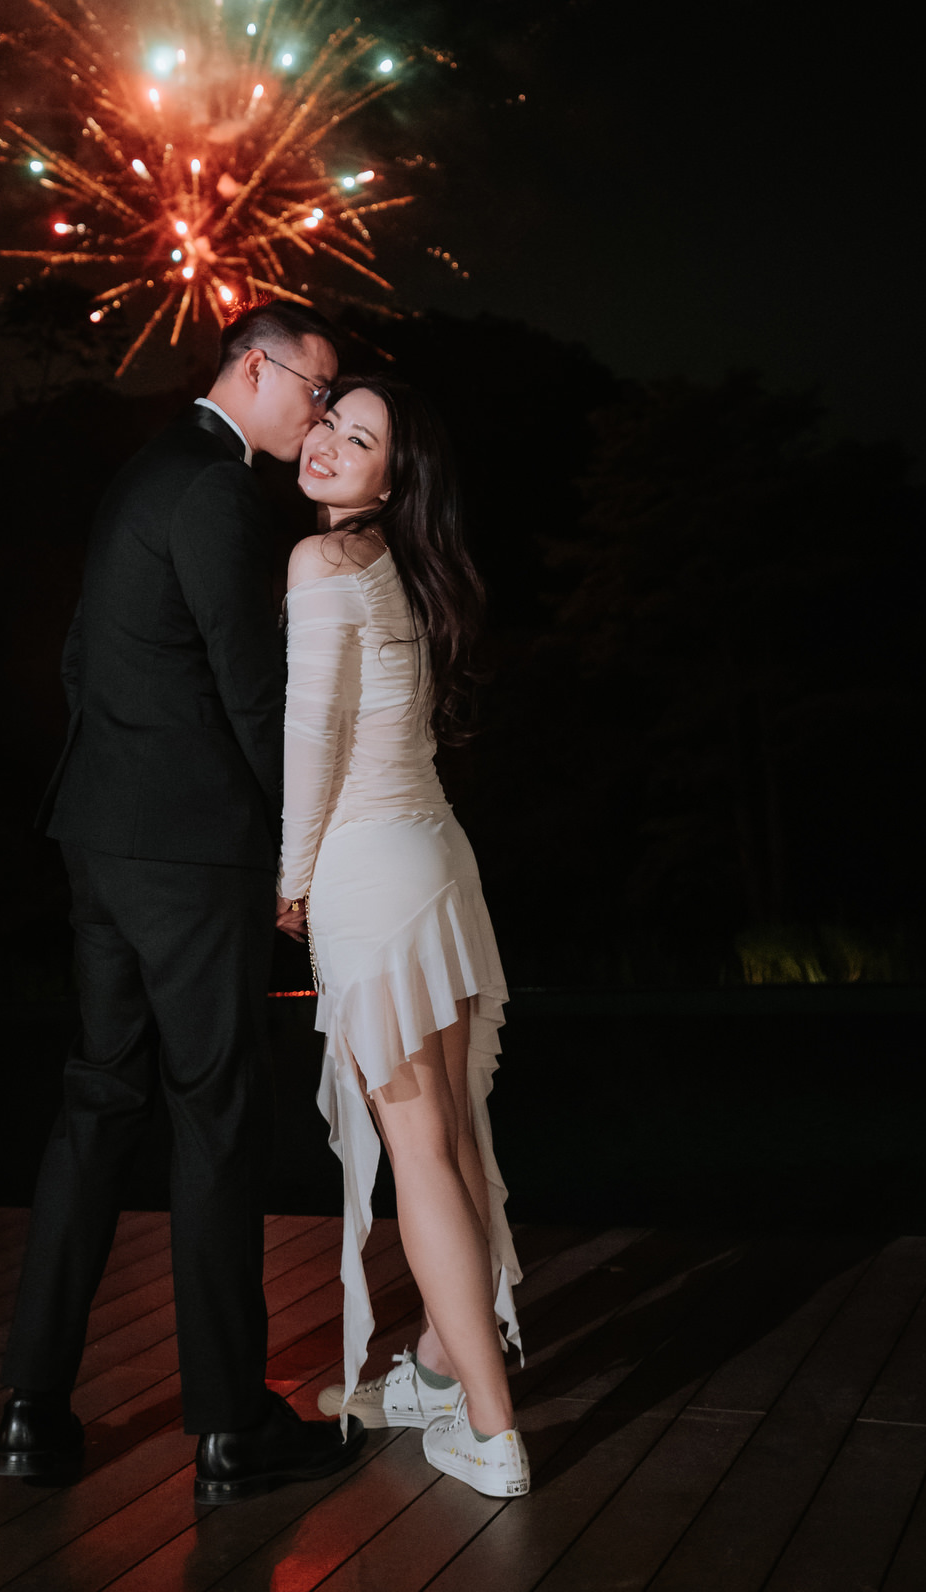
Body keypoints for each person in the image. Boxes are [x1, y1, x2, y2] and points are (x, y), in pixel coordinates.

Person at [0, 300, 370, 1504]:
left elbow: (76, 659)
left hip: (98, 838)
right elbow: (250, 689)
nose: (317, 414)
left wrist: (114, 789)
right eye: (314, 391)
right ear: (254, 369)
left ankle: (30, 1409)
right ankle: (230, 1429)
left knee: (98, 1109)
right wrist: (299, 850)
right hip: (193, 853)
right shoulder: (214, 491)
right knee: (215, 1120)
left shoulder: (140, 477)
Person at [276, 376, 530, 1499]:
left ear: (393, 477)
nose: (328, 441)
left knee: (421, 1149)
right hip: (439, 861)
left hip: (371, 876)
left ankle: (491, 1428)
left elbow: (309, 748)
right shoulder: (407, 570)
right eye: (330, 419)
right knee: (458, 1142)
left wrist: (288, 884)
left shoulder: (321, 562)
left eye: (358, 437)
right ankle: (439, 1361)